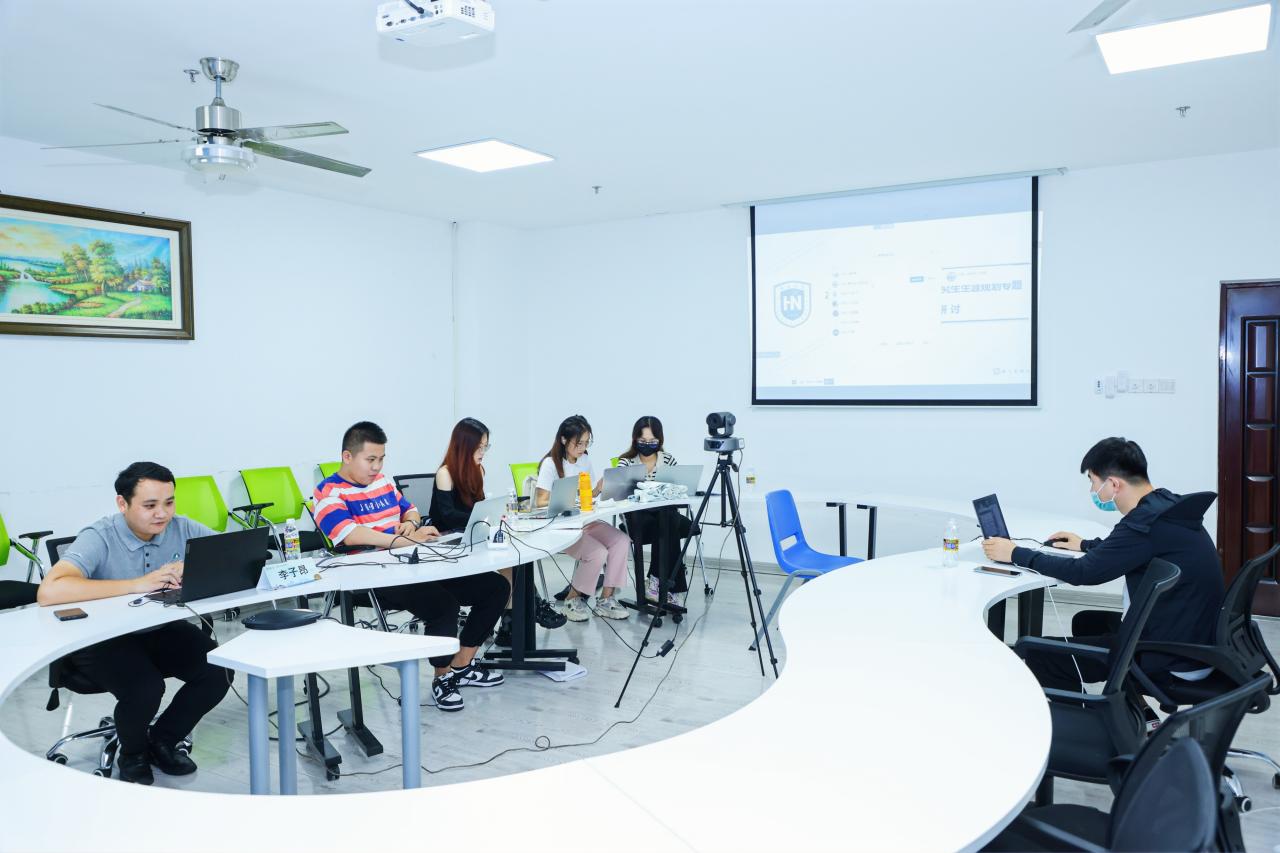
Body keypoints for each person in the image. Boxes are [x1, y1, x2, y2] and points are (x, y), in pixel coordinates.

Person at [36, 462, 232, 785]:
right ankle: (132, 753)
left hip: (157, 631)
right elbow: (49, 591)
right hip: (101, 639)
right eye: (150, 505)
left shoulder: (181, 528)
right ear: (122, 504)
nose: (162, 514)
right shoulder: (99, 536)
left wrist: (194, 568)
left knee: (218, 667)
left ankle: (162, 740)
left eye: (169, 502)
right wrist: (137, 584)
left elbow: (231, 553)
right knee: (145, 687)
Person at [982, 437, 1225, 695]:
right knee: (1088, 622)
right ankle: (1130, 708)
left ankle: (1088, 716)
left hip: (1172, 658)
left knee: (1039, 652)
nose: (1092, 490)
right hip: (1196, 643)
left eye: (1093, 481)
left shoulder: (1143, 525)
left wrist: (1015, 553)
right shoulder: (1164, 507)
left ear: (1113, 484)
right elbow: (1134, 549)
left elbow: (1083, 572)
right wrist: (1085, 544)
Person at [314, 421, 509, 711]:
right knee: (443, 605)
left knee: (495, 587)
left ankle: (462, 665)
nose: (377, 467)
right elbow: (350, 534)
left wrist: (410, 524)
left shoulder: (382, 482)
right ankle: (442, 678)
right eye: (370, 459)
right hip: (375, 576)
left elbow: (411, 509)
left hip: (415, 561)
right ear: (347, 456)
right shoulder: (327, 492)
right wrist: (401, 541)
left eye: (381, 459)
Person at [428, 417, 565, 643]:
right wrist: (481, 517)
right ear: (464, 446)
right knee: (509, 562)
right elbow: (447, 515)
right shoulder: (446, 473)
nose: (483, 452)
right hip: (450, 541)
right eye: (479, 447)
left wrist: (488, 516)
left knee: (514, 558)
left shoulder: (478, 470)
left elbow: (479, 505)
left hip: (473, 533)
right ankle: (532, 609)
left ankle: (511, 623)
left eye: (485, 446)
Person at [536, 415, 631, 621]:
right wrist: (568, 497)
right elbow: (540, 501)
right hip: (560, 526)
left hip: (585, 520)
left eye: (587, 443)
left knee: (621, 541)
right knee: (597, 552)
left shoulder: (585, 460)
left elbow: (588, 496)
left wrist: (599, 489)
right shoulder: (550, 464)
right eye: (579, 443)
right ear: (564, 440)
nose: (583, 448)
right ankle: (572, 600)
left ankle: (606, 600)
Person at [616, 415, 694, 604]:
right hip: (637, 518)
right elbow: (619, 495)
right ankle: (671, 588)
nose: (647, 445)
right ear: (635, 439)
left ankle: (655, 581)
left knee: (667, 520)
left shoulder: (668, 460)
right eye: (643, 440)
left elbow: (679, 489)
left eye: (652, 441)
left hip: (665, 514)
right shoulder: (626, 462)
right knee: (668, 524)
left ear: (660, 440)